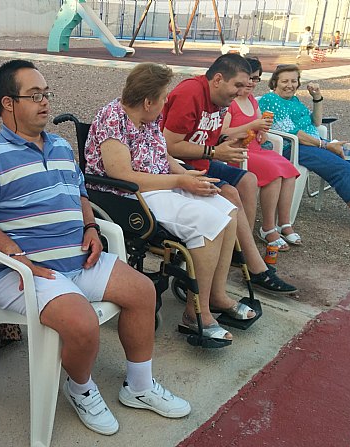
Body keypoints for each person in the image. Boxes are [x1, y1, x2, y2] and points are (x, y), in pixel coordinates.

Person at [0, 59, 190, 436]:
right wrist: (16, 255)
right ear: (7, 103)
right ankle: (80, 388)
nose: (45, 102)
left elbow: (79, 192)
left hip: (79, 258)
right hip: (23, 272)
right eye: (34, 95)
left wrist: (91, 226)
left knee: (143, 291)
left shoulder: (61, 146)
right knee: (83, 323)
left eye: (46, 93)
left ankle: (139, 386)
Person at [85, 62, 256, 342]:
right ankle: (195, 314)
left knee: (227, 209)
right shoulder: (113, 118)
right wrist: (179, 181)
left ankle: (215, 295)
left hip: (161, 185)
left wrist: (187, 175)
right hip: (130, 195)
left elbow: (162, 155)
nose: (166, 103)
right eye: (164, 97)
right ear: (148, 101)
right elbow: (122, 175)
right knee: (208, 221)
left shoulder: (147, 117)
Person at [161, 53, 297, 294]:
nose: (242, 91)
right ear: (218, 79)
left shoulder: (221, 99)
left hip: (201, 158)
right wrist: (214, 152)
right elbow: (168, 146)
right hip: (178, 163)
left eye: (247, 84)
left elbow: (209, 135)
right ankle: (255, 267)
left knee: (248, 180)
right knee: (230, 193)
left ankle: (239, 250)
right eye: (238, 85)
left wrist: (229, 142)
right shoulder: (190, 93)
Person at [258, 64, 350, 218]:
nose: (290, 85)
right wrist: (326, 145)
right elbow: (294, 133)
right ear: (274, 83)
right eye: (285, 81)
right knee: (343, 169)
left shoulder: (294, 100)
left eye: (294, 81)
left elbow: (316, 122)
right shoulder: (271, 100)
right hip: (293, 147)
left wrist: (317, 98)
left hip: (315, 143)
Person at [221, 56, 301, 249]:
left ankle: (284, 223)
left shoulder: (251, 100)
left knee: (289, 170)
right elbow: (223, 133)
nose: (251, 82)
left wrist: (262, 131)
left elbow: (260, 127)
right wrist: (253, 125)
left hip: (255, 149)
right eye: (249, 77)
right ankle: (267, 228)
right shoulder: (230, 102)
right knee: (274, 172)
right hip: (237, 151)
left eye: (255, 78)